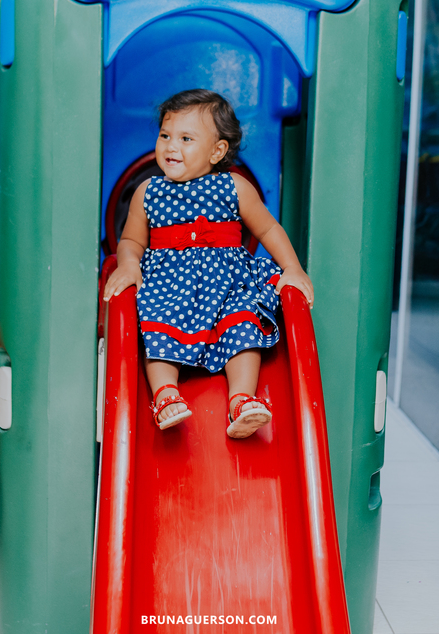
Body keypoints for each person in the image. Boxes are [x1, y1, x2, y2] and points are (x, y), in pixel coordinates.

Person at [103, 89, 313, 438]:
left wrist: (292, 267)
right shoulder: (148, 192)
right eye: (165, 136)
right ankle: (165, 395)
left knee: (244, 321)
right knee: (156, 321)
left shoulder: (235, 187)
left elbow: (268, 228)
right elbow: (131, 241)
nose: (171, 147)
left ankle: (241, 399)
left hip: (227, 283)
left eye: (186, 138)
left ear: (217, 151)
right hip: (170, 286)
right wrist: (128, 264)